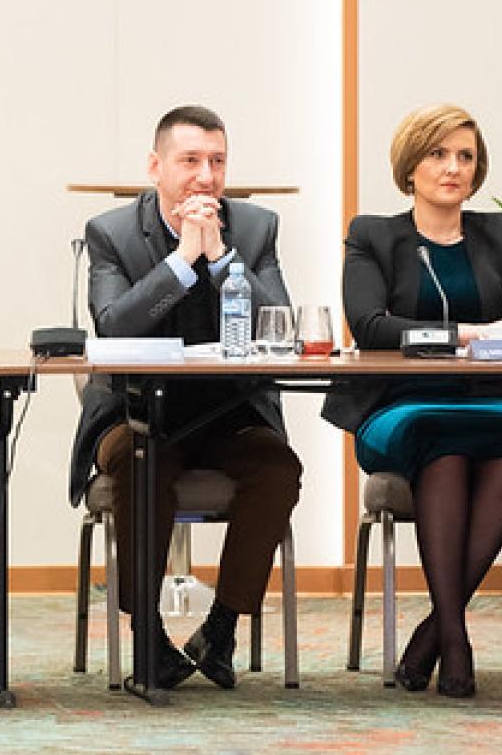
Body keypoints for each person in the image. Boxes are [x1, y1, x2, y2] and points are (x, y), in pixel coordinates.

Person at [68, 105, 303, 691]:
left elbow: (277, 327)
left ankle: (219, 629)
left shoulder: (255, 228)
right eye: (190, 161)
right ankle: (146, 632)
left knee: (279, 468)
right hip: (138, 413)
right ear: (156, 166)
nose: (206, 176)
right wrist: (182, 262)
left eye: (217, 162)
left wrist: (222, 258)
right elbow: (113, 327)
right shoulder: (112, 233)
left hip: (229, 412)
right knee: (142, 464)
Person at [321, 104, 502, 698]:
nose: (452, 168)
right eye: (438, 154)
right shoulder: (373, 234)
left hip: (497, 402)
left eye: (465, 156)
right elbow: (372, 326)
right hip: (402, 404)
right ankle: (454, 638)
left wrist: (500, 333)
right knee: (442, 444)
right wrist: (475, 333)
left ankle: (437, 632)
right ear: (410, 165)